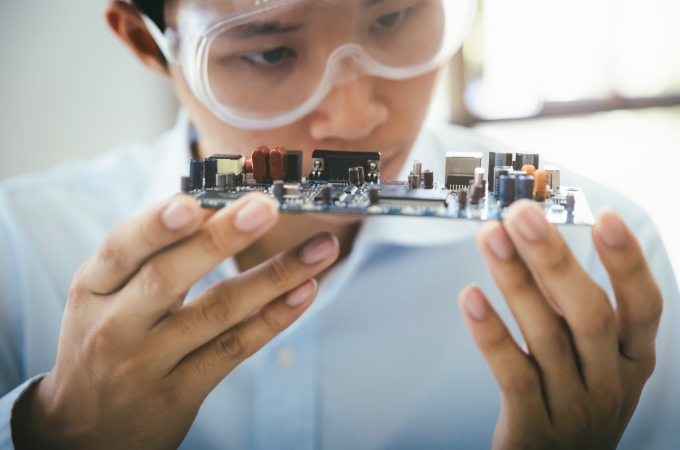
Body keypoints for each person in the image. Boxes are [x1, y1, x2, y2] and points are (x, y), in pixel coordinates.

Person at [0, 0, 678, 448]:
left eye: (392, 16)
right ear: (147, 44)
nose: (354, 120)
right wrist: (55, 434)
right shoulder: (20, 249)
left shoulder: (594, 267)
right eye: (269, 53)